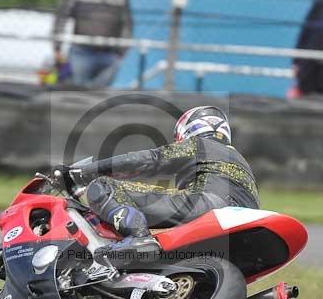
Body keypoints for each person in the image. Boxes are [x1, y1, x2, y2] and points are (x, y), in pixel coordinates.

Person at [56, 106, 259, 265]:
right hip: (248, 224)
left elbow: (147, 161)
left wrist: (82, 173)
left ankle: (139, 238)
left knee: (103, 186)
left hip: (208, 204)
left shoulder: (199, 145)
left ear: (188, 130)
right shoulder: (241, 161)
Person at [52, 0, 133, 88]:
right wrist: (57, 46)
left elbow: (127, 23)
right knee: (76, 90)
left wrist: (122, 51)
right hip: (81, 52)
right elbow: (62, 16)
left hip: (109, 55)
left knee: (99, 94)